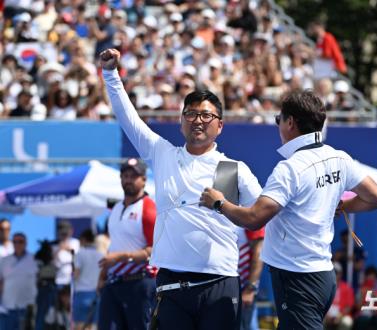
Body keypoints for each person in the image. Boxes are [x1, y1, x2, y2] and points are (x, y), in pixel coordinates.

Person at [100, 48, 262, 330]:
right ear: (180, 121)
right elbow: (129, 119)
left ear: (220, 126)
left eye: (206, 115)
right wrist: (110, 74)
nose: (197, 120)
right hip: (171, 283)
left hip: (219, 281)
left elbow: (264, 214)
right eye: (190, 114)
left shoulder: (231, 169)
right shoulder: (164, 155)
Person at [200, 90, 377, 329]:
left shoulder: (290, 168)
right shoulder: (339, 158)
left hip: (298, 278)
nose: (278, 125)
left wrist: (219, 202)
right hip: (321, 274)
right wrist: (341, 206)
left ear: (290, 123)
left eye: (279, 119)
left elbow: (255, 219)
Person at [97, 158, 157, 330]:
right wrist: (102, 275)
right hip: (114, 283)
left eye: (133, 176)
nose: (128, 179)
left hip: (140, 283)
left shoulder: (149, 209)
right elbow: (114, 245)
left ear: (144, 179)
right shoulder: (115, 209)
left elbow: (156, 251)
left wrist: (122, 258)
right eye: (125, 175)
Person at [0, 233, 38, 330]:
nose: (17, 244)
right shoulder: (4, 260)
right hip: (8, 307)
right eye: (15, 242)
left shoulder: (34, 259)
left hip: (27, 308)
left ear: (26, 243)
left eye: (20, 242)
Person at [73, 229, 104, 330]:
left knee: (79, 326)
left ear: (83, 240)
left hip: (81, 294)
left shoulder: (80, 253)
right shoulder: (101, 255)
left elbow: (76, 274)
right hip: (96, 294)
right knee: (92, 327)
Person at [238, 227, 265, 330]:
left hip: (243, 288)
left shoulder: (248, 212)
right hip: (226, 286)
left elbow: (258, 253)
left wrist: (250, 288)